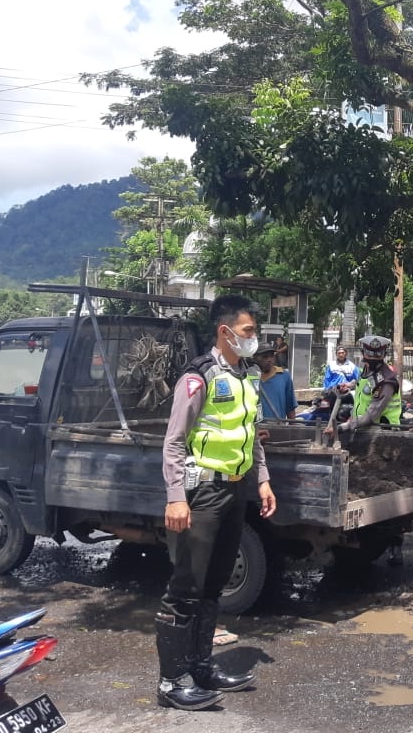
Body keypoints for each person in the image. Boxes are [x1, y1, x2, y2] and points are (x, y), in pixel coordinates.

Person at [155, 294, 277, 711]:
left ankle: (202, 667)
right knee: (186, 587)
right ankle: (172, 682)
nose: (254, 339)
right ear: (225, 332)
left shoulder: (248, 376)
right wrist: (176, 498)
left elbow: (252, 433)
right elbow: (173, 442)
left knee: (214, 585)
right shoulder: (198, 377)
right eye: (248, 332)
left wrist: (262, 481)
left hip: (234, 491)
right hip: (201, 493)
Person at [332, 335, 402, 433]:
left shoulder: (386, 381)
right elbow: (363, 384)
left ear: (384, 355)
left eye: (378, 354)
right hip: (364, 429)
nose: (373, 357)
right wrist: (349, 385)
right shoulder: (366, 370)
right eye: (369, 353)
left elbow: (371, 415)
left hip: (384, 433)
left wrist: (343, 427)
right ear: (363, 353)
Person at [253, 342, 297, 420]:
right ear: (255, 358)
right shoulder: (249, 376)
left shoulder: (283, 376)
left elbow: (290, 406)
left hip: (277, 426)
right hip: (255, 427)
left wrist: (292, 428)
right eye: (265, 357)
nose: (269, 360)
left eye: (271, 356)